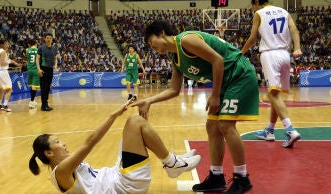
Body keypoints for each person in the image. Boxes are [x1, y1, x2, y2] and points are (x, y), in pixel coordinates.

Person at [131, 20, 259, 194]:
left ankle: (242, 178)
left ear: (161, 33)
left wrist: (214, 95)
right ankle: (216, 176)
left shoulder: (186, 40)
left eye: (152, 42)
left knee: (226, 125)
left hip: (238, 74)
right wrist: (149, 101)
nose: (153, 48)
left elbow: (218, 60)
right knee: (212, 126)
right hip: (226, 81)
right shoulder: (175, 57)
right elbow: (174, 90)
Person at [29, 102, 201, 193]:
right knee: (135, 122)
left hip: (116, 176)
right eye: (57, 142)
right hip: (123, 187)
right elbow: (90, 142)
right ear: (49, 153)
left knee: (134, 127)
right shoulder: (60, 173)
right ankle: (171, 164)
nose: (64, 143)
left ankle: (171, 161)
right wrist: (113, 115)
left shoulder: (64, 169)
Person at [241, 0, 302, 148]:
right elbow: (294, 30)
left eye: (252, 5)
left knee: (273, 94)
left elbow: (253, 38)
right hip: (285, 55)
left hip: (270, 55)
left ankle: (290, 130)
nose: (253, 8)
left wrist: (240, 52)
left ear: (256, 1)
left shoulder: (259, 14)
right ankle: (270, 130)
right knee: (274, 94)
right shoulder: (284, 11)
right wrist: (297, 48)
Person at [0, 39, 21, 112]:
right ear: (2, 45)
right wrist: (10, 62)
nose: (8, 45)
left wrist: (13, 62)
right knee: (9, 89)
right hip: (3, 72)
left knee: (2, 89)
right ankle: (5, 105)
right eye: (6, 44)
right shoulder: (3, 52)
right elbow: (3, 63)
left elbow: (5, 60)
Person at [36, 33, 58, 111]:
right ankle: (43, 105)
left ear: (52, 39)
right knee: (43, 88)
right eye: (47, 38)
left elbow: (56, 58)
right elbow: (37, 59)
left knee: (48, 88)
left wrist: (55, 65)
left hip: (50, 70)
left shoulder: (54, 48)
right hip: (43, 69)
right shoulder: (41, 48)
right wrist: (39, 69)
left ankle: (46, 104)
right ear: (45, 39)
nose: (49, 39)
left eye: (50, 38)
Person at [26, 39, 40, 109]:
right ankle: (31, 102)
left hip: (29, 69)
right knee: (35, 86)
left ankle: (33, 100)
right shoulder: (38, 50)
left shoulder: (27, 50)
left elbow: (28, 59)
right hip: (35, 69)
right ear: (35, 44)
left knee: (32, 85)